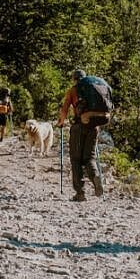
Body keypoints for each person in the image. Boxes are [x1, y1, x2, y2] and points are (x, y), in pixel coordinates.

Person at [57, 70, 111, 201]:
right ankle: (95, 177)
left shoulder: (73, 90)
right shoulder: (95, 87)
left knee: (76, 159)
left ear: (74, 79)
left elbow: (64, 109)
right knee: (90, 158)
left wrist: (61, 123)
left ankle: (80, 193)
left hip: (79, 126)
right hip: (95, 126)